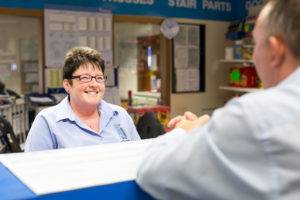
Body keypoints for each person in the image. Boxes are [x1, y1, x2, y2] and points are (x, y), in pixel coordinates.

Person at [137, 0, 300, 199]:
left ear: (275, 51)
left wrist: (184, 132)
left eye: (256, 44)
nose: (254, 54)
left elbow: (153, 172)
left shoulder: (256, 115)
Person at [25, 47, 140, 152]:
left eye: (99, 78)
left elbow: (139, 158)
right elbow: (32, 169)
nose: (94, 84)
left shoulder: (120, 115)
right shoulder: (47, 122)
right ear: (67, 85)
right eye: (85, 78)